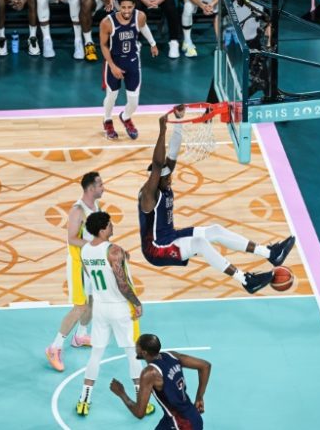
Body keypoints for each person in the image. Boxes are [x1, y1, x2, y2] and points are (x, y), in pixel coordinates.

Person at [138, 107, 296, 294]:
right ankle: (245, 280)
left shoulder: (163, 182)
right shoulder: (149, 195)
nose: (171, 177)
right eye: (166, 176)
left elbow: (171, 154)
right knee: (200, 243)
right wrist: (162, 130)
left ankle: (271, 253)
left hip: (170, 236)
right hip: (156, 249)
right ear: (156, 179)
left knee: (215, 230)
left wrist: (179, 122)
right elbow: (157, 165)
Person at [74, 211, 154, 418]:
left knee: (96, 354)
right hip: (119, 307)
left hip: (100, 307)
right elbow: (122, 284)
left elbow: (95, 272)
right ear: (102, 230)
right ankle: (141, 400)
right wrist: (136, 303)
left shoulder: (84, 251)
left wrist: (120, 256)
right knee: (132, 352)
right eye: (110, 225)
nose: (112, 227)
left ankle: (84, 400)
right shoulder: (113, 251)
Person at [45, 171, 103, 372]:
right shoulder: (78, 211)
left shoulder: (96, 206)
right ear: (90, 188)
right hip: (79, 264)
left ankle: (80, 336)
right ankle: (54, 347)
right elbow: (72, 239)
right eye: (100, 185)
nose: (103, 188)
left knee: (93, 301)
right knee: (80, 307)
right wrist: (95, 244)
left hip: (91, 263)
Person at [110, 333, 210, 428]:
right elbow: (205, 366)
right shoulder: (172, 355)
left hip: (181, 424)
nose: (135, 348)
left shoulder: (149, 373)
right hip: (191, 415)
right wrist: (199, 397)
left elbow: (139, 413)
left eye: (137, 346)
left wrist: (121, 393)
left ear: (144, 352)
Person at [100, 0, 158, 141]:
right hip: (114, 61)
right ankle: (107, 120)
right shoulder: (107, 22)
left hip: (132, 61)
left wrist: (153, 43)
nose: (126, 11)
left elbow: (143, 27)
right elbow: (104, 45)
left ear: (134, 6)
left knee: (134, 102)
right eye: (123, 7)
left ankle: (125, 117)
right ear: (119, 6)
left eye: (129, 7)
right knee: (112, 96)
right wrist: (112, 66)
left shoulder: (140, 16)